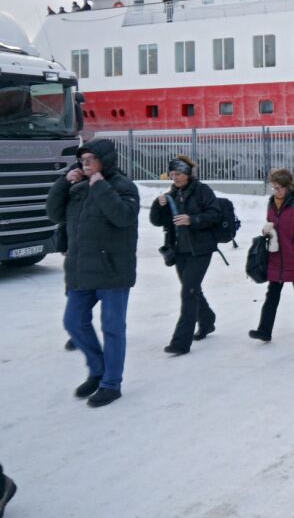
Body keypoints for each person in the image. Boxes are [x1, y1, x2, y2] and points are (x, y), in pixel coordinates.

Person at [46, 139, 139, 408]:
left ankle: (111, 383)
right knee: (73, 322)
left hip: (112, 272)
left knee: (112, 328)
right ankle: (97, 371)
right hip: (81, 271)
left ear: (105, 161)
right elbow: (53, 214)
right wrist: (64, 182)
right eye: (82, 160)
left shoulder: (123, 187)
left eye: (91, 159)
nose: (85, 165)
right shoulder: (77, 187)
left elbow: (122, 217)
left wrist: (100, 185)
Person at [149, 155, 223, 356]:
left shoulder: (202, 191)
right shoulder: (171, 194)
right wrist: (159, 205)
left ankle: (181, 342)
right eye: (172, 174)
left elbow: (215, 215)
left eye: (179, 174)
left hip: (201, 249)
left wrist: (193, 219)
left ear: (188, 174)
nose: (176, 178)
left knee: (188, 292)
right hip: (179, 251)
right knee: (192, 289)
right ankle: (207, 321)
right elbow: (157, 221)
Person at [249, 169, 294, 342]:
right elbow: (273, 223)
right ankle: (264, 330)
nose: (276, 191)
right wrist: (267, 231)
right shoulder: (272, 203)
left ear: (288, 186)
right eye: (274, 188)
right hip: (276, 256)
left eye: (279, 188)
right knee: (272, 293)